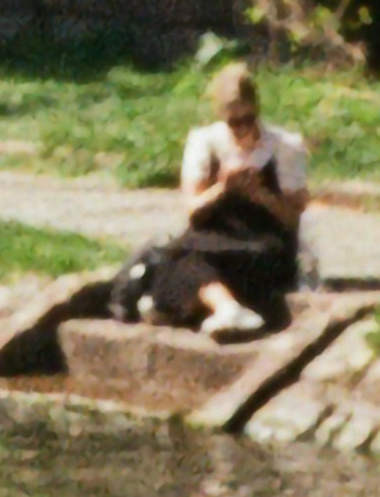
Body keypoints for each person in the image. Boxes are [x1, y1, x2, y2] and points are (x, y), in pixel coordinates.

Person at [117, 51, 312, 336]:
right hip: (212, 238)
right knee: (178, 254)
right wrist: (222, 188)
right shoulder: (205, 143)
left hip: (262, 240)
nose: (242, 129)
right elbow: (193, 209)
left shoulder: (284, 147)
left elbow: (292, 218)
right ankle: (227, 308)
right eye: (234, 122)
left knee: (194, 264)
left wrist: (260, 195)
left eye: (248, 119)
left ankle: (208, 307)